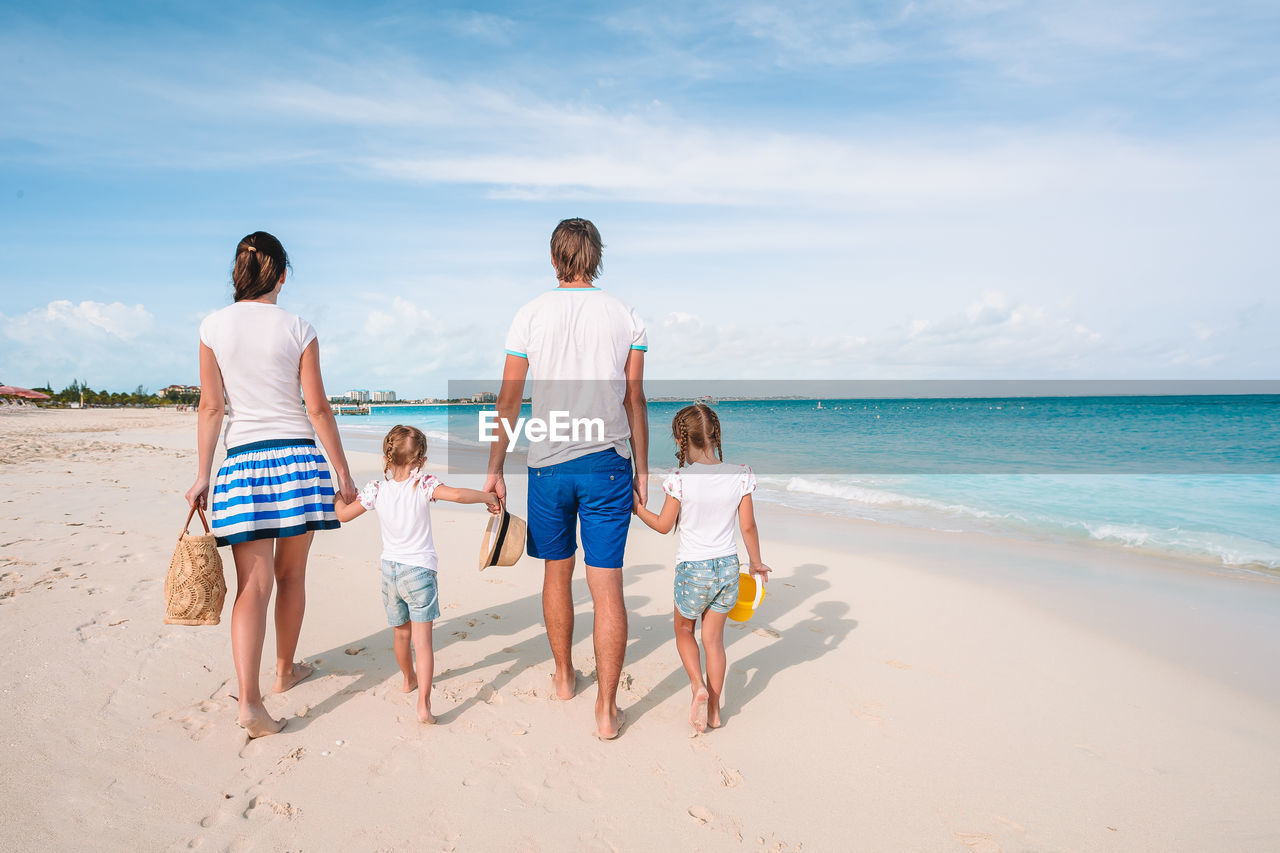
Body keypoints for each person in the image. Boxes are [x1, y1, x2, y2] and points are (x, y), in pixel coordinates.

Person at [185, 231, 357, 738]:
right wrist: (342, 472)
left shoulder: (213, 326)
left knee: (252, 588)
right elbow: (318, 408)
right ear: (281, 275)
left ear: (239, 273)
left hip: (242, 463)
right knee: (292, 575)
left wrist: (202, 474)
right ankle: (284, 669)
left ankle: (251, 703)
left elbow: (211, 406)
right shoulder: (298, 328)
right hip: (299, 461)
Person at [484, 218, 648, 740]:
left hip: (548, 464)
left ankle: (561, 677)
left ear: (554, 259)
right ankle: (605, 709)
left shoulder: (529, 314)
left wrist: (494, 466)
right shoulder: (625, 315)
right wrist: (643, 470)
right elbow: (633, 399)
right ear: (596, 257)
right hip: (607, 464)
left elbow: (509, 399)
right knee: (607, 587)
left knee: (557, 574)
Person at [334, 425, 500, 724]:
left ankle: (407, 679)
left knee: (400, 634)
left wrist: (337, 497)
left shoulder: (376, 489)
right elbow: (459, 495)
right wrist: (487, 497)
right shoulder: (423, 484)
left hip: (390, 572)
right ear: (421, 459)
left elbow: (343, 515)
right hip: (420, 573)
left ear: (388, 457)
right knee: (423, 643)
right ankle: (423, 704)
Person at [632, 403, 770, 733]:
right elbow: (748, 527)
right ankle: (715, 711)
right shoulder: (742, 474)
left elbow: (665, 525)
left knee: (683, 631)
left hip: (693, 569)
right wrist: (756, 563)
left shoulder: (679, 479)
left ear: (681, 441)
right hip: (727, 568)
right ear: (715, 436)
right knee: (714, 642)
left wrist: (638, 510)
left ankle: (697, 686)